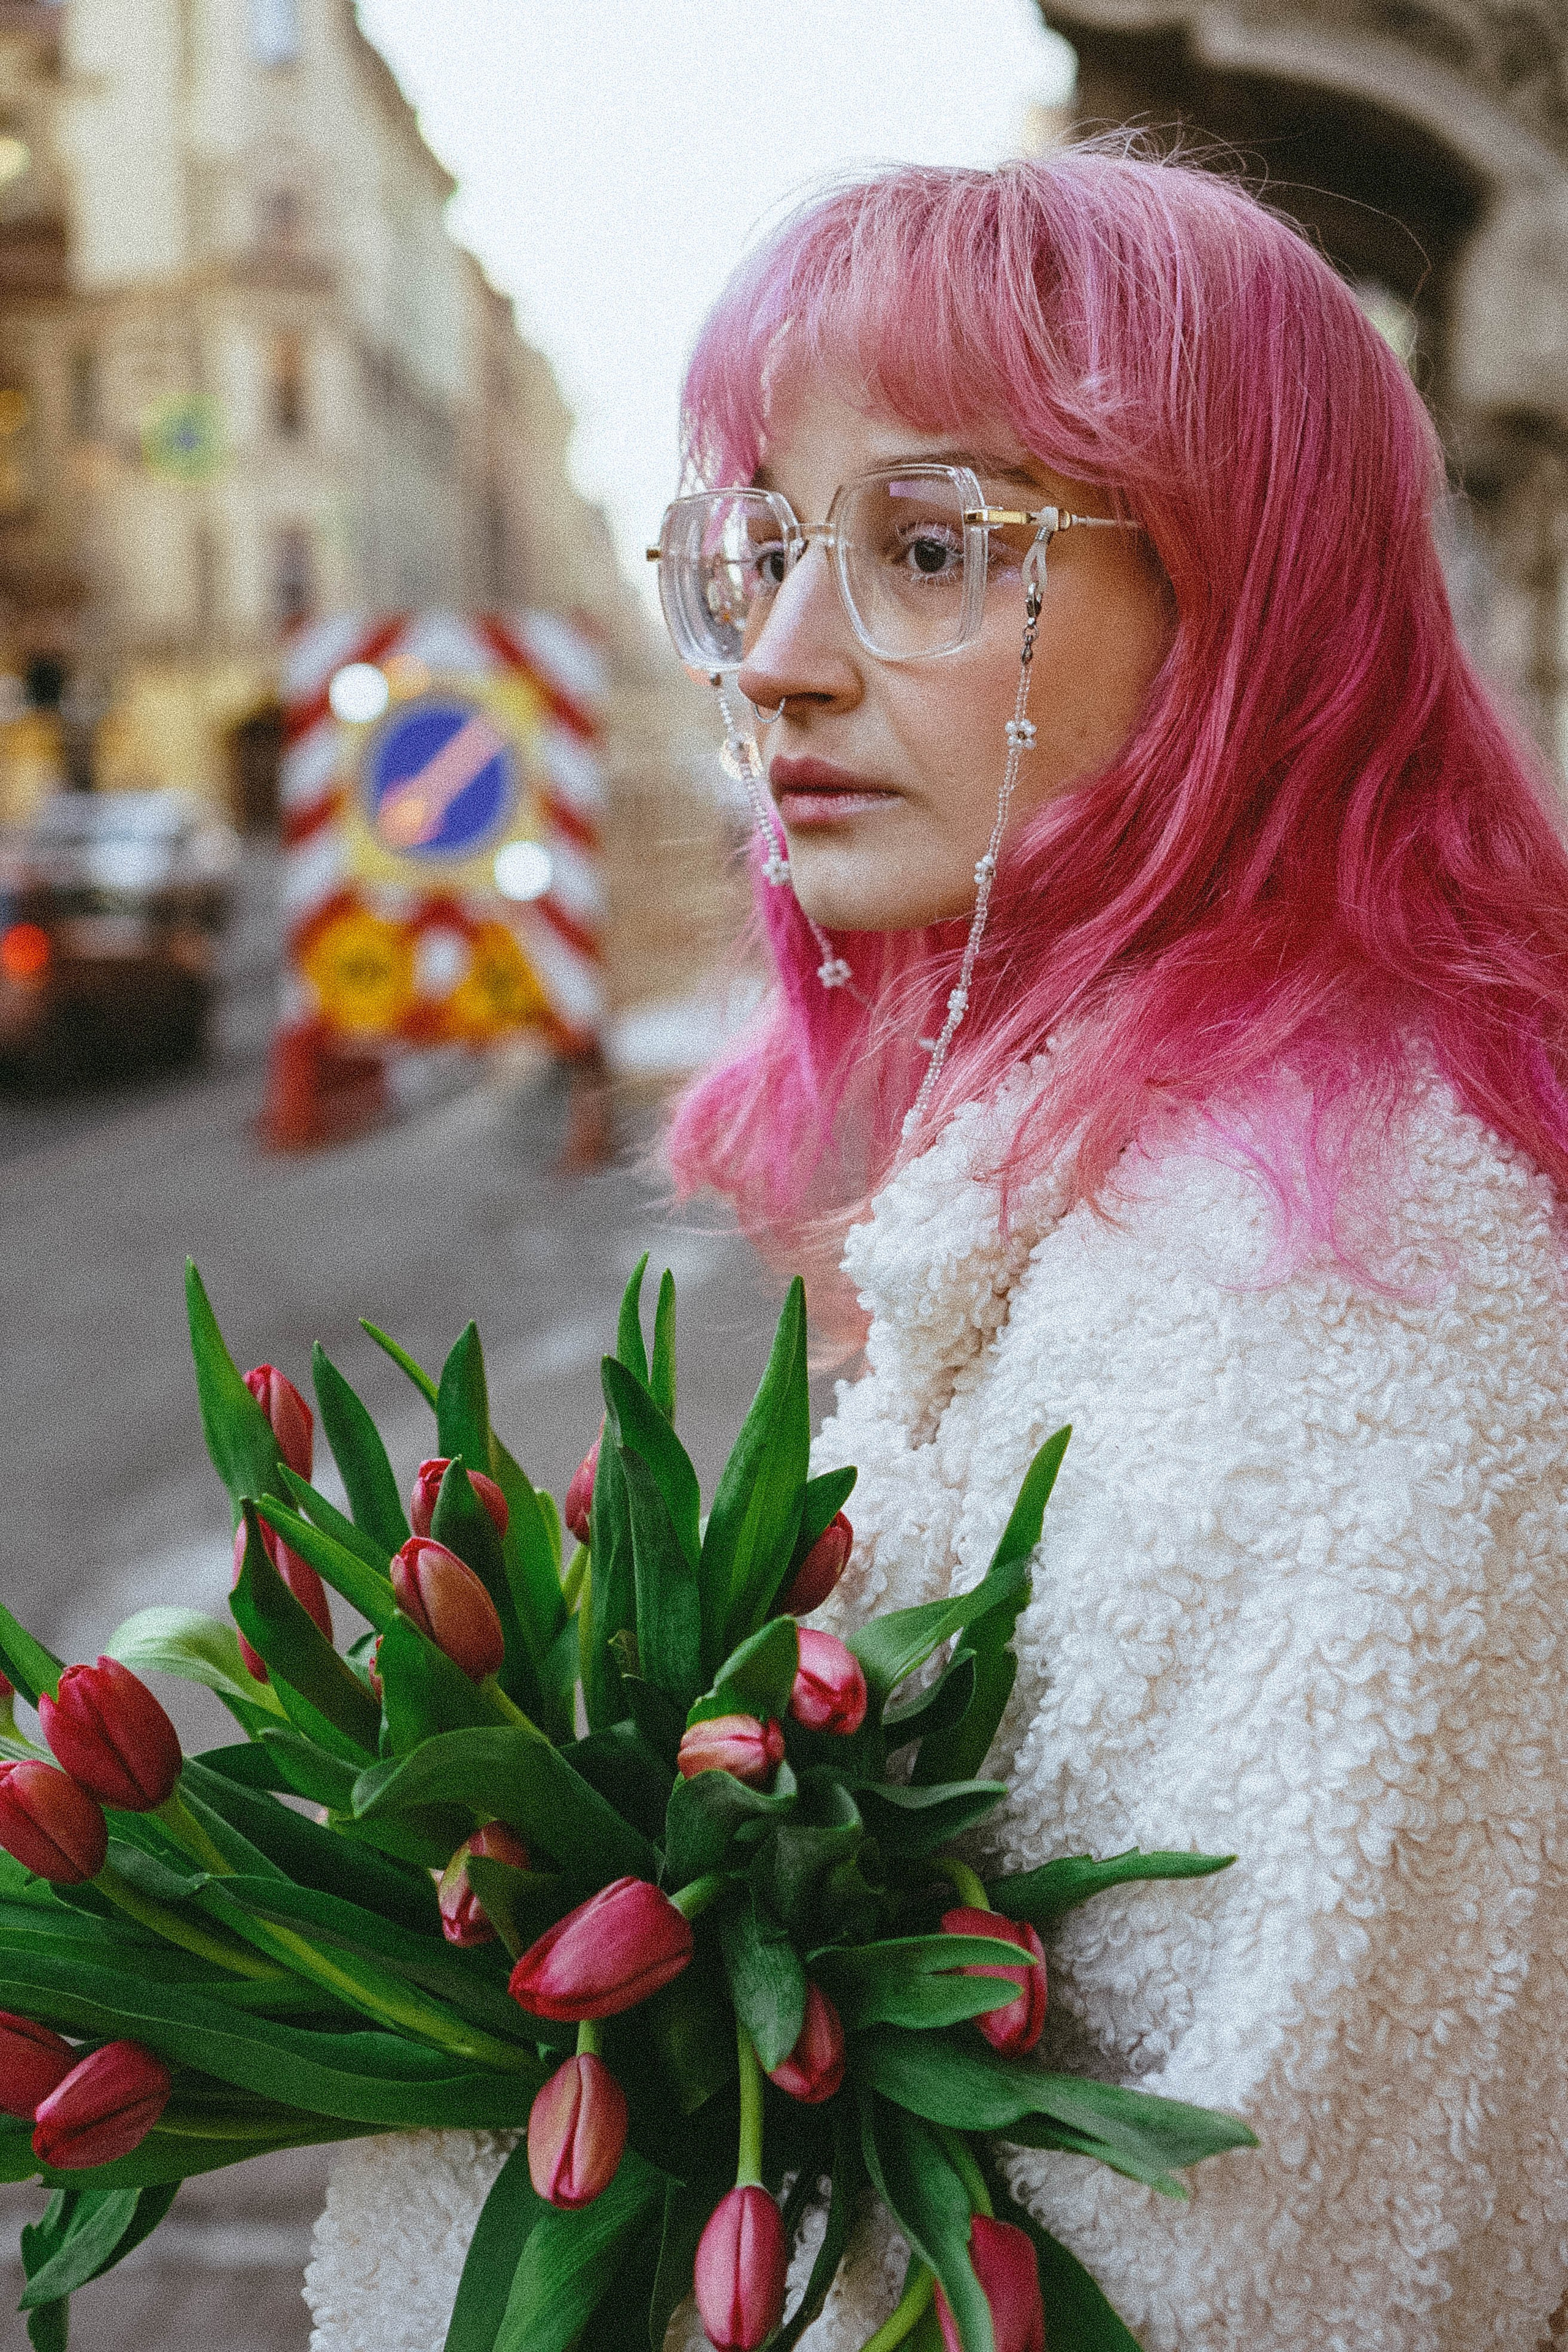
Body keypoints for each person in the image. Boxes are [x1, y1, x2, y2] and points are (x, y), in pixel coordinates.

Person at [305, 147, 1568, 2351]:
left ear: (1239, 605)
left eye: (928, 548)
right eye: (762, 552)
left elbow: (1218, 2262)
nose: (780, 667)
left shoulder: (1331, 1294)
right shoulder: (1178, 1188)